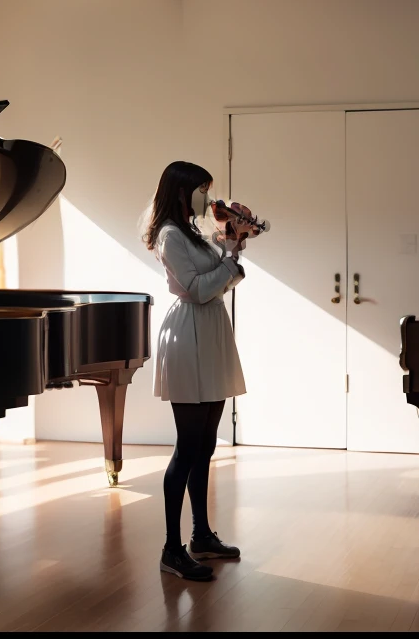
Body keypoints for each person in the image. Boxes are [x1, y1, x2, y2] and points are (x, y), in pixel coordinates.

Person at [143, 161, 247, 582]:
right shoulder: (169, 235)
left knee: (205, 443)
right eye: (203, 189)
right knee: (188, 446)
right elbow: (201, 289)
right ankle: (171, 548)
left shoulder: (192, 230)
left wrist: (232, 248)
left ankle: (200, 535)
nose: (209, 196)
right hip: (188, 335)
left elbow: (220, 282)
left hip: (211, 331)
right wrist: (232, 256)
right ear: (184, 190)